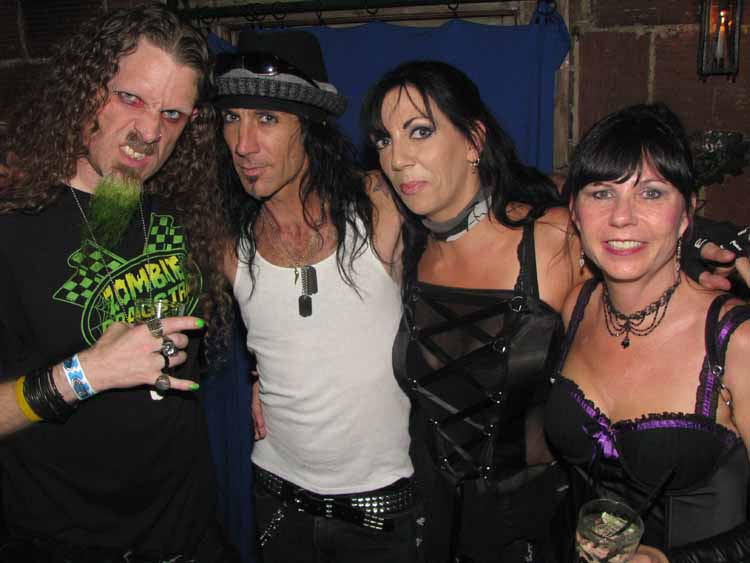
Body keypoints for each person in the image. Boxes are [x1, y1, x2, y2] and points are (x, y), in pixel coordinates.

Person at [0, 4, 235, 562]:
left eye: (173, 114)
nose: (150, 132)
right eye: (131, 98)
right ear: (87, 91)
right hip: (68, 545)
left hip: (190, 536)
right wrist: (88, 373)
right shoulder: (12, 222)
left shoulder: (174, 209)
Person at [361, 59, 581, 563]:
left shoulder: (551, 239)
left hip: (535, 529)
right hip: (435, 523)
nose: (398, 158)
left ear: (473, 141)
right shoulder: (408, 251)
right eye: (384, 140)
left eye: (420, 131)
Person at [214, 30, 420, 562]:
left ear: (309, 126)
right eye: (232, 117)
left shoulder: (378, 205)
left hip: (380, 510)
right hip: (277, 502)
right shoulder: (227, 241)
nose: (243, 144)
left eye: (266, 119)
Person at [544, 104, 750, 563]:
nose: (622, 217)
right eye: (601, 193)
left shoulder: (735, 341)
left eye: (651, 193)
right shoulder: (577, 305)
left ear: (686, 214)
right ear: (574, 212)